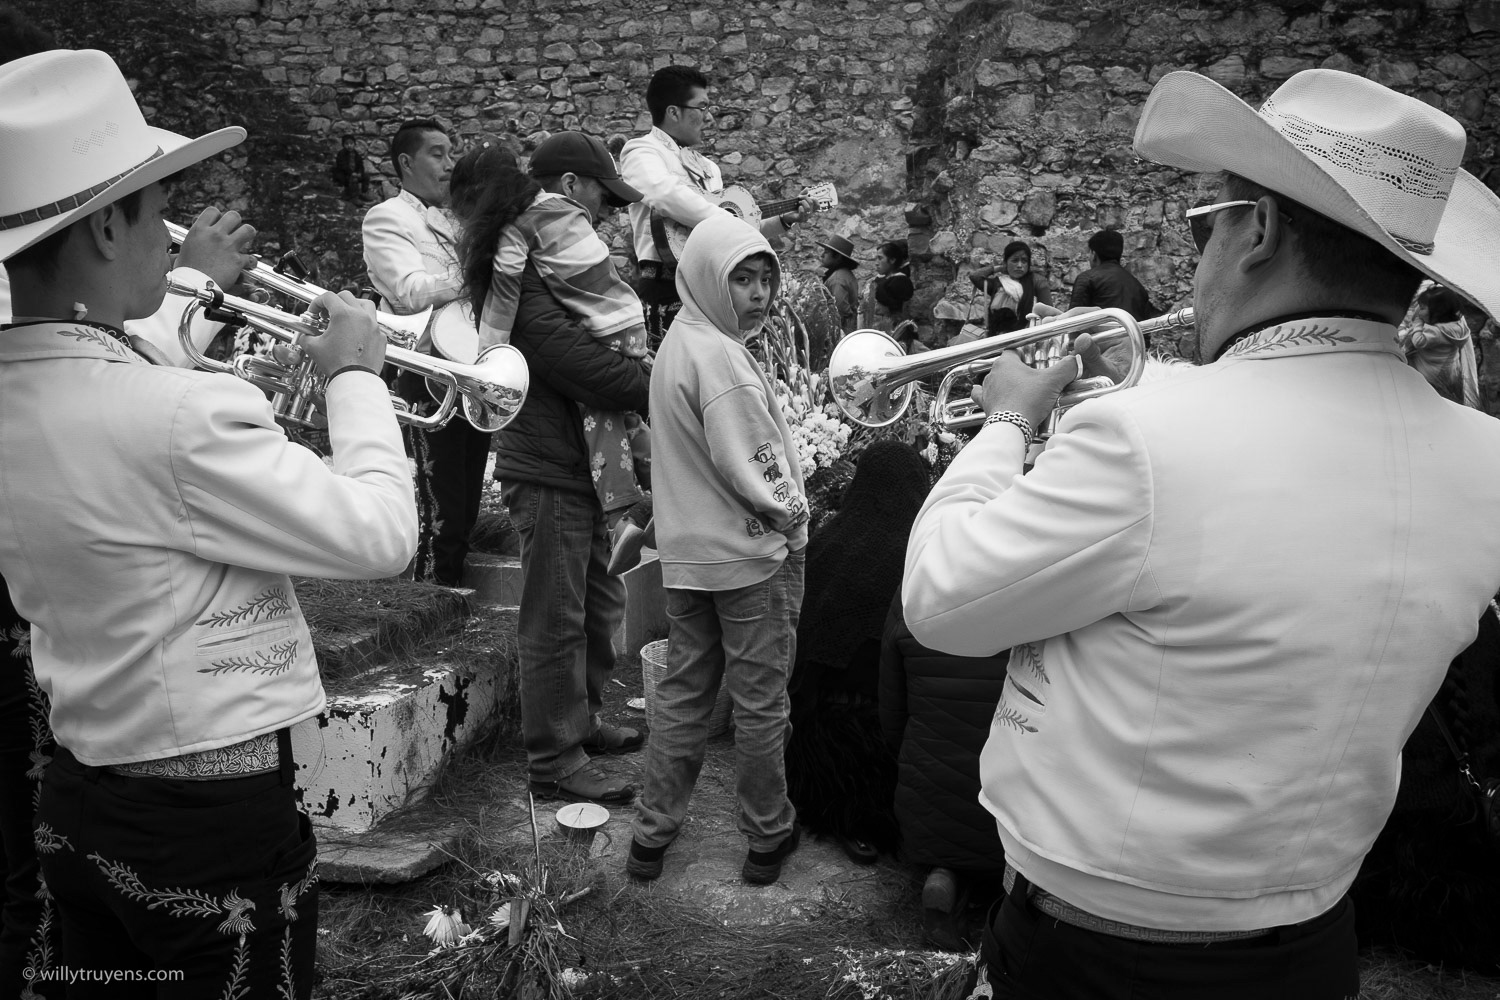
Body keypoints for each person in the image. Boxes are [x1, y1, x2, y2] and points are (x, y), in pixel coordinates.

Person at [904, 67, 1500, 998]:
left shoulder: (1147, 432)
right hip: (1314, 939)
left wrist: (1006, 424)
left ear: (1256, 230)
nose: (1195, 262)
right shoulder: (1487, 458)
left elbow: (941, 601)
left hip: (1101, 950)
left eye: (1204, 225)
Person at [0, 48, 417, 997]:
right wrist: (356, 375)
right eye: (157, 212)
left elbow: (95, 365)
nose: (171, 237)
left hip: (79, 800)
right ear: (107, 224)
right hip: (211, 828)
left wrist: (181, 292)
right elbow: (381, 534)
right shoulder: (181, 415)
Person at [459, 132, 652, 806]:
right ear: (570, 187)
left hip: (579, 463)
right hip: (548, 466)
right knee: (557, 616)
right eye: (602, 195)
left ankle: (583, 720)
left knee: (599, 604)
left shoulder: (557, 265)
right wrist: (651, 383)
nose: (604, 214)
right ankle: (555, 761)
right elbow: (573, 363)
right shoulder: (529, 271)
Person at [626, 214, 809, 887]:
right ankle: (768, 836)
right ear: (708, 275)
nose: (759, 294)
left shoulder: (681, 340)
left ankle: (650, 837)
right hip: (747, 559)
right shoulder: (722, 358)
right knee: (761, 702)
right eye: (743, 278)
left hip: (691, 560)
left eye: (766, 279)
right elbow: (753, 466)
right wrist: (793, 518)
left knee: (683, 697)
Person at [784, 441, 930, 866]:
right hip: (888, 721)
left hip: (807, 727)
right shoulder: (924, 551)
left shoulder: (826, 541)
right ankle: (867, 818)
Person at [364, 118, 488, 587]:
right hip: (423, 369)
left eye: (450, 152)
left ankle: (451, 591)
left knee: (468, 486)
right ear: (405, 163)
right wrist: (478, 275)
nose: (449, 163)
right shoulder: (387, 217)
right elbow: (411, 290)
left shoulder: (455, 216)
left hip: (465, 364)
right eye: (437, 153)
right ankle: (431, 597)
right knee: (437, 495)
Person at [619, 65, 810, 349]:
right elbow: (664, 194)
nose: (708, 117)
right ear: (673, 112)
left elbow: (731, 232)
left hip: (710, 286)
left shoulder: (708, 168)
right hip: (663, 286)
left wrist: (782, 221)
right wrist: (725, 221)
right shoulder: (641, 151)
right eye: (702, 107)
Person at [877, 594, 1007, 951]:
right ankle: (1017, 897)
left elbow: (891, 709)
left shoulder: (916, 584)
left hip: (929, 796)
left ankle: (945, 875)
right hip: (1014, 796)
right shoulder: (1048, 577)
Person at [1399, 283, 1480, 407]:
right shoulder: (1459, 326)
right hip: (1450, 372)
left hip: (1429, 374)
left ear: (1437, 311)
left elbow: (1417, 341)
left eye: (1422, 308)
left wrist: (1418, 324)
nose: (1419, 312)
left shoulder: (1434, 331)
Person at [968, 240, 1058, 335]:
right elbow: (975, 276)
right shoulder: (999, 283)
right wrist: (998, 268)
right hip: (996, 337)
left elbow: (1049, 314)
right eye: (1015, 260)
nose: (1019, 265)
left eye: (1024, 261)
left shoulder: (1038, 282)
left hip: (1026, 338)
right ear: (1006, 262)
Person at [1068, 229, 1159, 323]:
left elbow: (1074, 323)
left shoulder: (1087, 278)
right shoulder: (1139, 288)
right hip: (1132, 337)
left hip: (1101, 337)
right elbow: (1146, 330)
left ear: (1094, 255)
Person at [861, 239, 915, 333]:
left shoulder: (900, 281)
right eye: (876, 259)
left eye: (880, 258)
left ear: (892, 260)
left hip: (892, 329)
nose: (876, 263)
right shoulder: (884, 279)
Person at [816, 235, 860, 335]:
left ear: (838, 257)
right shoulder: (845, 274)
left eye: (826, 252)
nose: (822, 255)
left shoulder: (837, 279)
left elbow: (839, 311)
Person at [332, 135, 371, 203]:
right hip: (344, 175)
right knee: (353, 179)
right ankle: (354, 197)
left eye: (351, 143)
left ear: (354, 144)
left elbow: (360, 166)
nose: (349, 145)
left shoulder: (356, 155)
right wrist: (351, 173)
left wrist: (359, 173)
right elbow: (342, 166)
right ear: (343, 145)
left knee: (366, 176)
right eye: (347, 144)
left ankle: (363, 193)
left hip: (355, 173)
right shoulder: (341, 154)